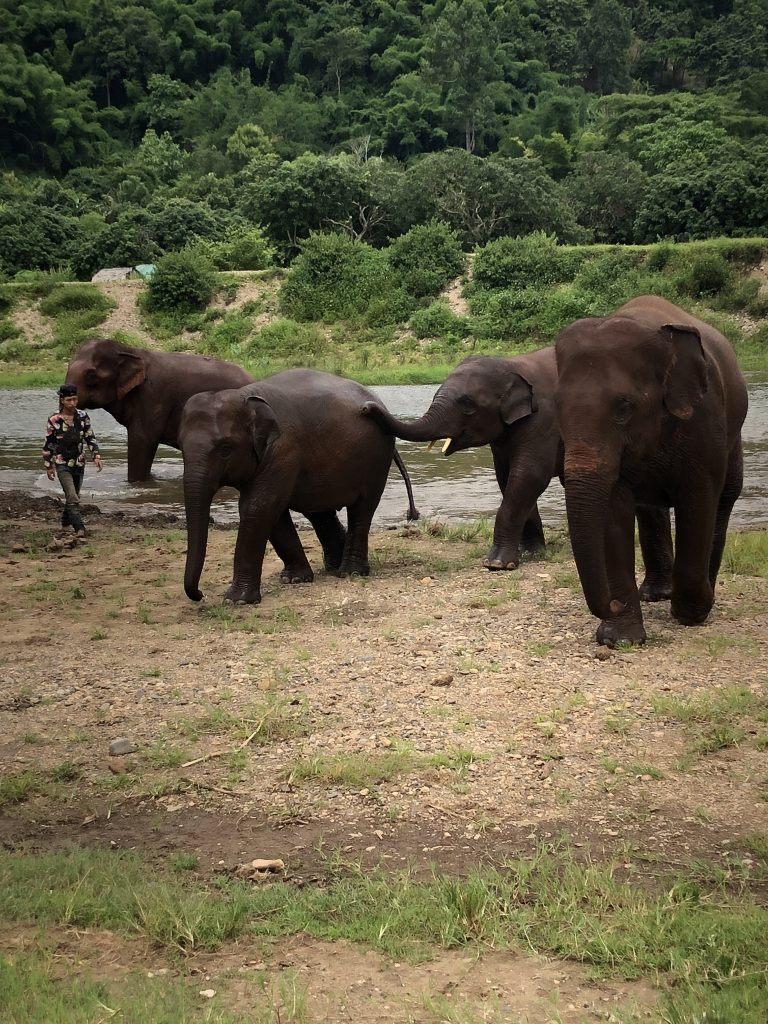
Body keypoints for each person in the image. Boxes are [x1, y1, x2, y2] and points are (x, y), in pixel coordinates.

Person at [42, 383, 103, 537]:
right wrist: (49, 466)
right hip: (62, 463)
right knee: (72, 496)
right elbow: (49, 444)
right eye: (69, 400)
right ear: (62, 400)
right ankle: (80, 528)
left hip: (79, 462)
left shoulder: (82, 416)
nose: (72, 403)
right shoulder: (54, 419)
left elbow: (90, 437)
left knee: (74, 494)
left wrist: (96, 455)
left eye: (75, 399)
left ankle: (65, 522)